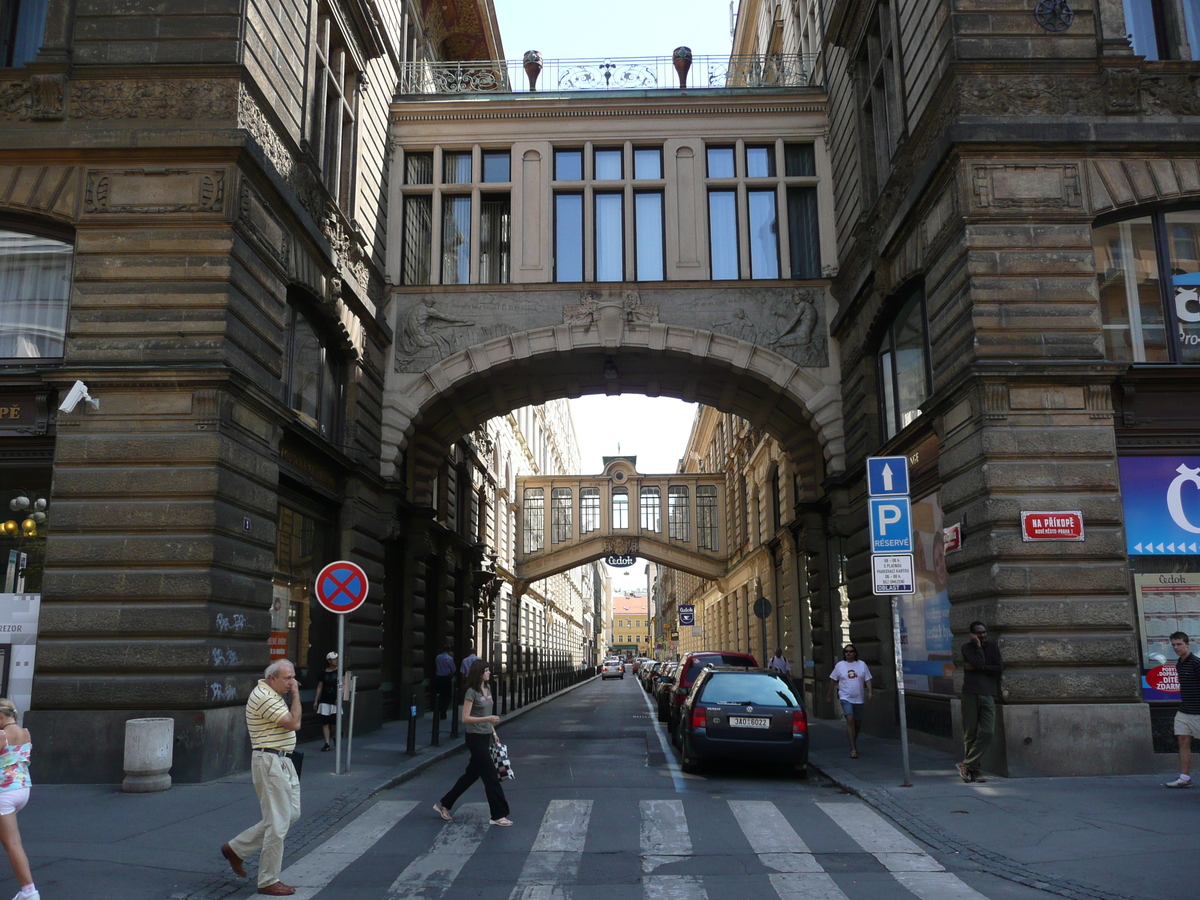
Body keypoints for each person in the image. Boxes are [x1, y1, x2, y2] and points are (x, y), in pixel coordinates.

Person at [221, 660, 303, 896]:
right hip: (270, 762)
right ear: (273, 678)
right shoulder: (264, 696)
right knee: (278, 823)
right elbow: (294, 722)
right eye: (288, 678)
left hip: (283, 761)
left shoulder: (274, 693)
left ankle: (236, 849)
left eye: (293, 677)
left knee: (291, 814)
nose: (292, 682)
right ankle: (268, 879)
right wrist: (296, 695)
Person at [433, 659, 511, 827]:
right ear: (479, 673)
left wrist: (493, 732)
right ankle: (498, 815)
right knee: (491, 776)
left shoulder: (488, 688)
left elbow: (488, 712)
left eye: (489, 670)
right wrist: (487, 719)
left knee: (471, 775)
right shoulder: (471, 692)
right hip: (474, 738)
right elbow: (465, 718)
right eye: (486, 671)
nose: (489, 673)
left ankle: (443, 805)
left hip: (485, 735)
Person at [0, 699, 36, 900]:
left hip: (4, 794)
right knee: (8, 840)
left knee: (12, 843)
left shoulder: (2, 735)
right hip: (23, 790)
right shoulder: (26, 733)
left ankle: (29, 891)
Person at [959, 620, 1003, 783]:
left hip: (988, 693)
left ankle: (966, 764)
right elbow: (978, 662)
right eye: (979, 633)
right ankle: (975, 771)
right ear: (972, 634)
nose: (982, 635)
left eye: (984, 632)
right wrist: (977, 648)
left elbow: (998, 668)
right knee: (970, 733)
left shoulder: (992, 646)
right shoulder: (966, 648)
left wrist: (980, 667)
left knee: (987, 731)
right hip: (970, 693)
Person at [1165, 631, 1200, 788]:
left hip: (1198, 711)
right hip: (1185, 709)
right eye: (1173, 644)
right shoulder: (1180, 663)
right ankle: (1185, 778)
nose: (1176, 647)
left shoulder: (1196, 663)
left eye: (1179, 644)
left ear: (1188, 644)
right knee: (1183, 740)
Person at [828, 644, 872, 758]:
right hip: (845, 696)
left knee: (857, 724)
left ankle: (853, 740)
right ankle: (852, 748)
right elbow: (833, 680)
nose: (848, 653)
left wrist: (870, 691)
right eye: (846, 651)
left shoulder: (862, 665)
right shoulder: (840, 666)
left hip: (859, 698)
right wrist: (829, 694)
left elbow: (868, 679)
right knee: (850, 719)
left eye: (851, 651)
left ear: (855, 653)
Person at [312, 652, 340, 752]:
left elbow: (344, 685)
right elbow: (320, 686)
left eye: (337, 658)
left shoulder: (341, 671)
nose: (336, 660)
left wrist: (339, 697)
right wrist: (316, 700)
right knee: (325, 722)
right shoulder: (323, 672)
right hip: (324, 699)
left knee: (334, 723)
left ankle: (335, 736)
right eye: (334, 659)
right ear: (329, 661)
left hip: (335, 700)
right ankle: (327, 743)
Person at [434, 644, 455, 720]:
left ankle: (439, 708)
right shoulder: (449, 658)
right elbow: (453, 669)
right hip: (446, 678)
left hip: (439, 678)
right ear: (449, 650)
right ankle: (444, 709)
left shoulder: (438, 657)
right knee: (447, 696)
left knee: (439, 694)